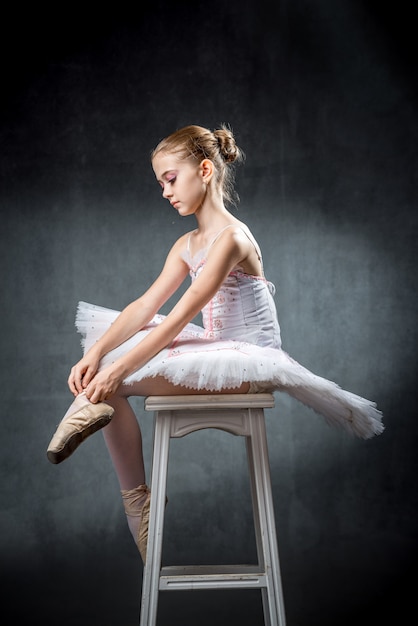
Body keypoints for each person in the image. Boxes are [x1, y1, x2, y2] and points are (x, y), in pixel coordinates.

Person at [47, 124, 384, 563]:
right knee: (109, 358)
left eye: (170, 178)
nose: (165, 192)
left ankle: (136, 506)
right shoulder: (187, 243)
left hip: (247, 360)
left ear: (204, 169)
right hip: (213, 345)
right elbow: (145, 307)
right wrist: (94, 355)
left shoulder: (233, 238)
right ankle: (132, 484)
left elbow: (183, 313)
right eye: (160, 183)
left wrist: (116, 370)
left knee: (118, 378)